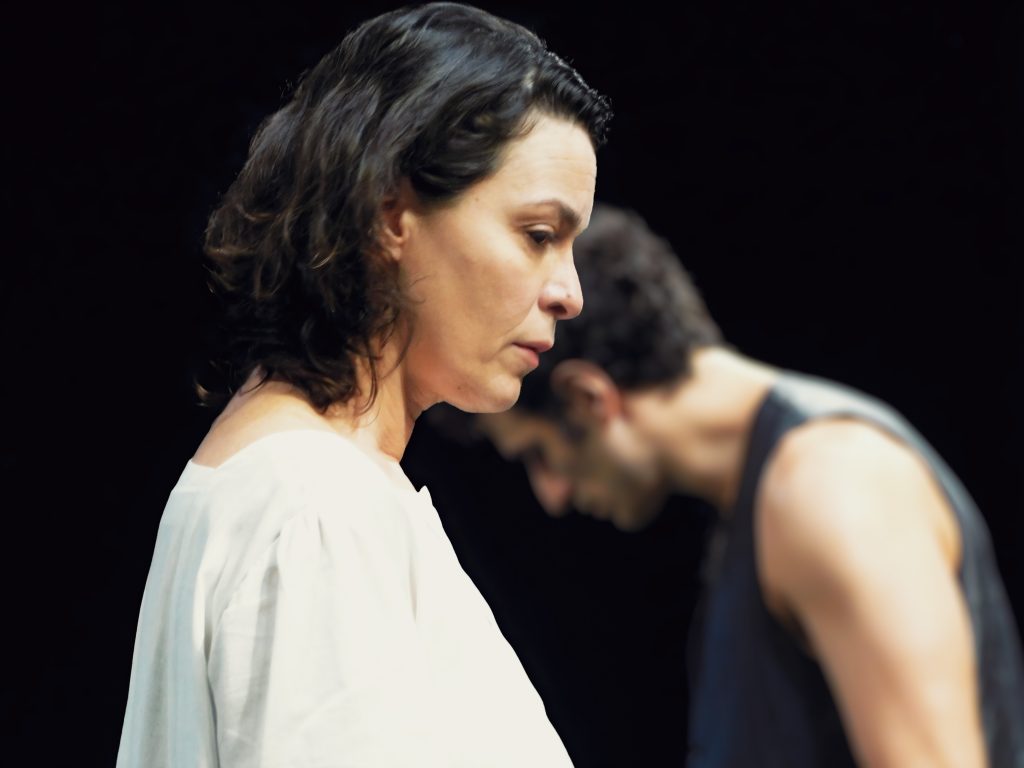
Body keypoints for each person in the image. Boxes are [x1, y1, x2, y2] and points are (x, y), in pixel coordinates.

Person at [116, 5, 610, 766]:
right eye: (538, 235)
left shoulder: (314, 488)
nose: (569, 293)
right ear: (391, 214)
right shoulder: (317, 509)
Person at [477, 204, 1024, 767]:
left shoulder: (832, 485)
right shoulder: (760, 500)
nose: (552, 495)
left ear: (587, 398)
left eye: (539, 453)